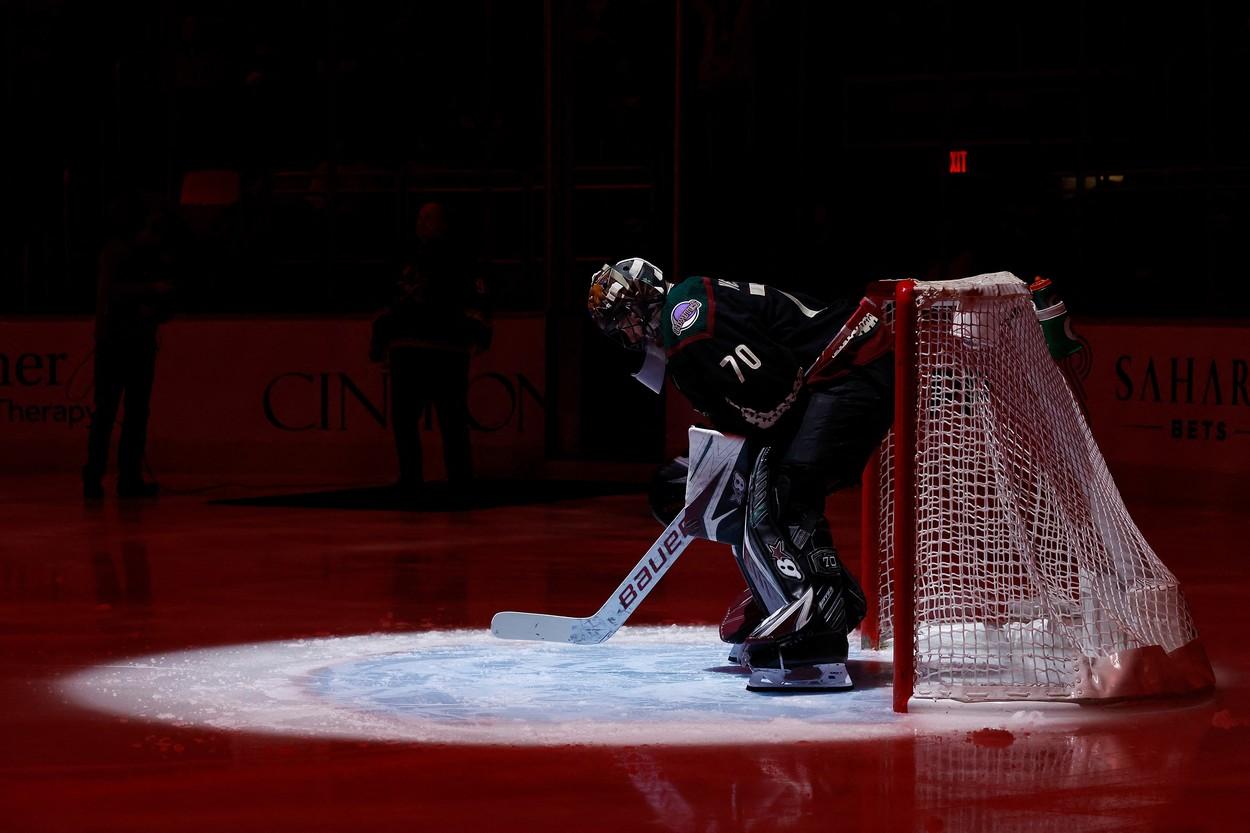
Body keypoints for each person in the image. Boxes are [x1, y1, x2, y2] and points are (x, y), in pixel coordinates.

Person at [587, 258, 894, 690]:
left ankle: (814, 636)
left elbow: (777, 393)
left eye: (623, 319)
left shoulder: (686, 318)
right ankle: (825, 600)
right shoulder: (683, 328)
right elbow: (765, 405)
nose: (625, 334)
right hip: (839, 373)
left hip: (848, 367)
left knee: (779, 496)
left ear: (645, 299)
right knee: (769, 493)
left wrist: (734, 460)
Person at [370, 202, 492, 490]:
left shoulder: (461, 260)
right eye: (421, 217)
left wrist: (479, 333)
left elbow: (477, 301)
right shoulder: (403, 259)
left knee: (451, 420)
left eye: (430, 218)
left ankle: (460, 480)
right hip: (409, 347)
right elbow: (388, 301)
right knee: (404, 420)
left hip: (446, 349)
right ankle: (411, 477)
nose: (423, 223)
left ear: (444, 224)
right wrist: (381, 338)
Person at [82, 198, 178, 500]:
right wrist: (154, 292)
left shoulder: (136, 256)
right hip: (120, 344)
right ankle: (109, 477)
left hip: (130, 344)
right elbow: (114, 293)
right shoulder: (118, 254)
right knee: (116, 413)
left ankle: (120, 477)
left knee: (127, 413)